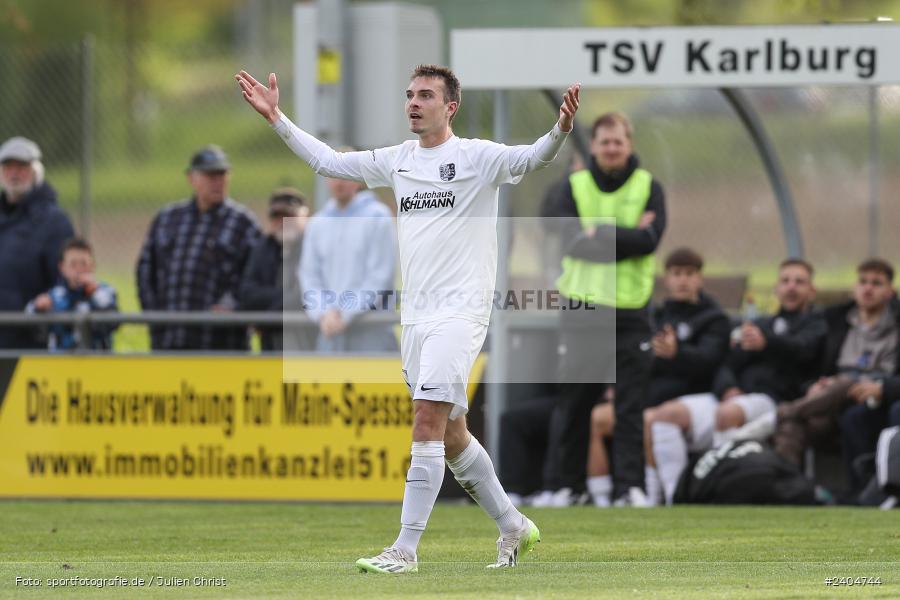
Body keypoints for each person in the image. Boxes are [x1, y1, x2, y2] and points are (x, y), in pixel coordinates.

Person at [236, 64, 579, 572]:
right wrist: (277, 118)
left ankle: (405, 550)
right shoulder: (397, 161)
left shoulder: (477, 157)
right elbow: (329, 162)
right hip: (416, 317)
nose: (413, 103)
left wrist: (561, 131)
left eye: (425, 95)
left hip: (461, 312)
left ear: (450, 106)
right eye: (410, 94)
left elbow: (532, 158)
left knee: (425, 419)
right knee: (451, 433)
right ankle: (512, 525)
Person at [541, 111, 666, 506]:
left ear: (629, 145)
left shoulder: (649, 186)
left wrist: (599, 233)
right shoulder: (573, 185)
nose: (612, 149)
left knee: (630, 404)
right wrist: (624, 236)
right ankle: (569, 486)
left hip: (631, 311)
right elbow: (570, 240)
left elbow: (650, 240)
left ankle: (629, 488)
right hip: (583, 309)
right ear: (593, 146)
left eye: (619, 142)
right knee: (575, 401)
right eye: (605, 142)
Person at [647, 258, 826, 504]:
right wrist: (728, 387)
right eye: (785, 281)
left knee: (726, 414)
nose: (791, 287)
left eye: (799, 282)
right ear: (776, 288)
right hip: (732, 396)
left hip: (773, 401)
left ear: (811, 290)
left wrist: (768, 343)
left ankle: (717, 491)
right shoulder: (761, 324)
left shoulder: (817, 325)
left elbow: (804, 351)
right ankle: (672, 497)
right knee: (664, 416)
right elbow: (727, 363)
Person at [586, 247, 731, 507]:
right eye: (676, 273)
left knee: (648, 420)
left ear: (700, 278)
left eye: (689, 273)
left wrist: (678, 354)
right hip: (647, 395)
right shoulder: (654, 316)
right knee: (597, 418)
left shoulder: (715, 318)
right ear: (666, 278)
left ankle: (652, 497)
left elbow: (712, 361)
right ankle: (601, 501)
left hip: (691, 399)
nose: (683, 280)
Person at [772, 259, 899, 494]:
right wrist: (815, 385)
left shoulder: (896, 325)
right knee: (794, 425)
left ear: (890, 292)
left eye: (876, 283)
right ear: (854, 287)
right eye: (863, 282)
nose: (868, 288)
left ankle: (779, 413)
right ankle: (788, 494)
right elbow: (814, 367)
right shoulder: (836, 320)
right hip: (831, 399)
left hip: (875, 399)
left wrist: (883, 386)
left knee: (852, 387)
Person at [136, 145, 261, 351]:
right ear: (191, 178)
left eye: (222, 175)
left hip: (221, 344)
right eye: (210, 175)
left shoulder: (243, 223)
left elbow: (254, 277)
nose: (217, 182)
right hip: (169, 339)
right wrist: (155, 316)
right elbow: (145, 270)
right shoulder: (168, 218)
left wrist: (232, 306)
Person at [300, 171, 398, 352]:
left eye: (346, 176)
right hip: (331, 333)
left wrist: (346, 315)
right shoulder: (317, 224)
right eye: (334, 176)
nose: (339, 183)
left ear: (358, 181)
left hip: (372, 334)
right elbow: (309, 276)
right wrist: (324, 313)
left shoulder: (378, 217)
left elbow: (380, 275)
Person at [0, 136, 75, 349]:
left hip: (30, 342)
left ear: (35, 171)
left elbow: (64, 283)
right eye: (8, 166)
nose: (14, 173)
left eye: (21, 166)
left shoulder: (54, 222)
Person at [238, 187, 313, 351]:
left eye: (289, 216)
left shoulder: (314, 246)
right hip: (271, 344)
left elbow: (307, 296)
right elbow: (248, 294)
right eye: (276, 216)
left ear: (305, 217)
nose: (282, 222)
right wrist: (286, 299)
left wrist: (266, 319)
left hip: (310, 341)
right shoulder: (263, 247)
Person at [26, 237, 118, 350]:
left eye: (84, 264)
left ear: (93, 265)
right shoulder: (55, 296)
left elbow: (113, 322)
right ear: (62, 267)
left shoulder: (104, 292)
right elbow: (32, 324)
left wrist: (94, 293)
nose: (79, 269)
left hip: (97, 361)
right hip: (61, 362)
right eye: (73, 264)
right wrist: (38, 308)